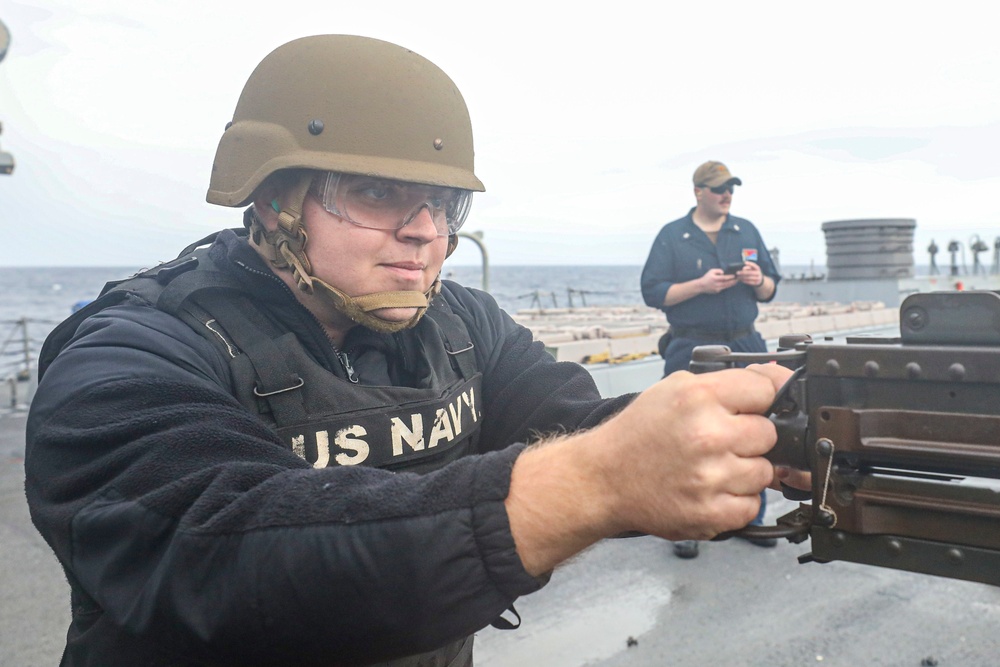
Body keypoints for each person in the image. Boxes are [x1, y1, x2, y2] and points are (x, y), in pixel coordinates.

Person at [25, 36, 797, 667]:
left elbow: (585, 423)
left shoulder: (461, 323)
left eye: (442, 203)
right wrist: (590, 483)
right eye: (374, 192)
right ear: (275, 201)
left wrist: (774, 421)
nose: (425, 230)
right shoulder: (132, 354)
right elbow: (229, 558)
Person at [640, 161, 782, 559]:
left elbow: (771, 289)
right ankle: (684, 525)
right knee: (686, 437)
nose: (727, 195)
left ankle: (750, 519)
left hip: (745, 345)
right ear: (698, 192)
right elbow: (653, 293)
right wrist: (700, 286)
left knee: (755, 434)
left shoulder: (746, 230)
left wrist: (758, 281)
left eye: (731, 188)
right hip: (694, 350)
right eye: (719, 188)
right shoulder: (673, 236)